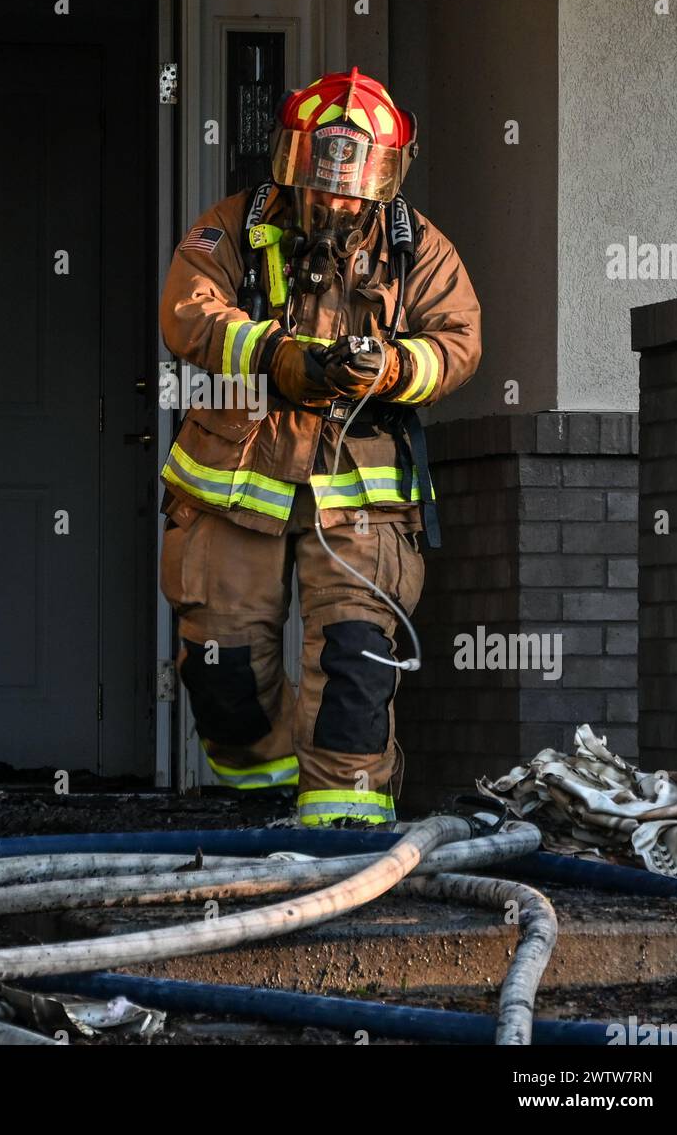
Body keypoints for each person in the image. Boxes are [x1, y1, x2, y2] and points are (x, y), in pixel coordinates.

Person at [159, 68, 481, 825]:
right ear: (293, 161)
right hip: (237, 480)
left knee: (356, 663)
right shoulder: (236, 225)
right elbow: (187, 311)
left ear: (382, 177)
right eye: (320, 178)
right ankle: (257, 804)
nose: (332, 198)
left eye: (350, 182)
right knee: (222, 668)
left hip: (361, 491)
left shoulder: (417, 248)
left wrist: (396, 367)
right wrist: (277, 357)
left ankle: (345, 826)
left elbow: (459, 342)